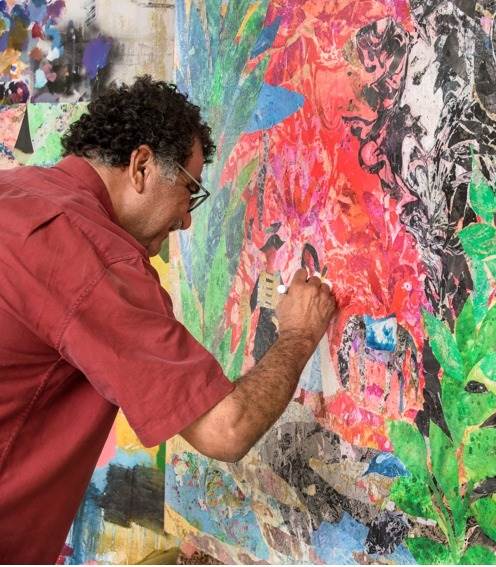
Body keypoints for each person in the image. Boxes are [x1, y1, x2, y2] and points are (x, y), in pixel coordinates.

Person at [0, 76, 337, 563]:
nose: (186, 219)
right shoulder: (92, 257)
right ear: (141, 166)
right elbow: (226, 429)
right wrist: (300, 333)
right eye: (189, 191)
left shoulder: (16, 191)